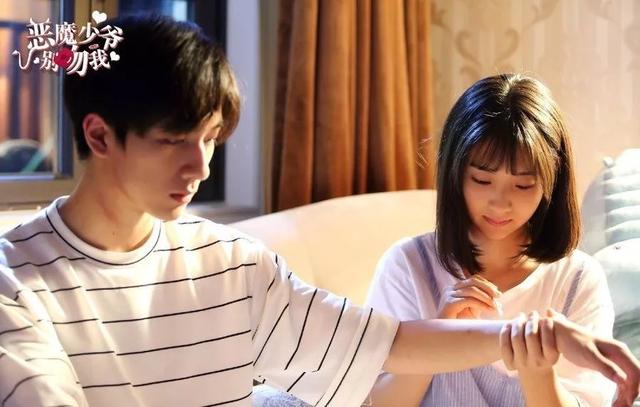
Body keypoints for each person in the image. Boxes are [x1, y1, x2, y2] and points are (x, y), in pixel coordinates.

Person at [0, 16, 638, 407]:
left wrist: (539, 338)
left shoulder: (232, 264)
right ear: (100, 135)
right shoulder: (14, 280)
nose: (201, 167)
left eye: (212, 139)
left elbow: (381, 343)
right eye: (174, 141)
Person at [366, 74, 632, 406]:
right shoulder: (408, 266)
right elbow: (375, 402)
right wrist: (436, 335)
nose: (500, 204)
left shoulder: (577, 279)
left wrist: (537, 371)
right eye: (482, 180)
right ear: (454, 173)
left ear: (552, 180)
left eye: (523, 185)